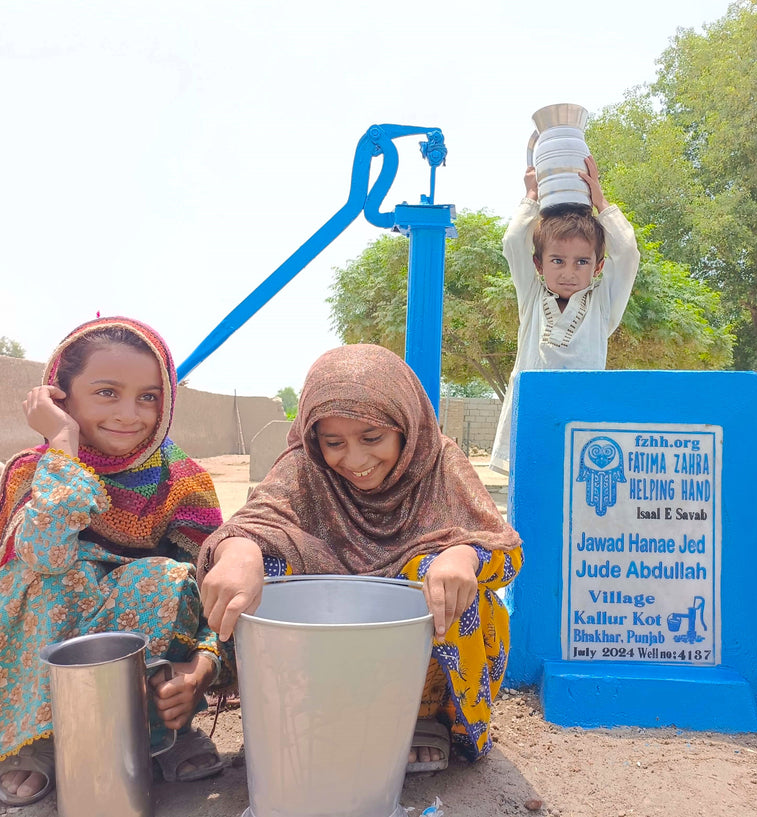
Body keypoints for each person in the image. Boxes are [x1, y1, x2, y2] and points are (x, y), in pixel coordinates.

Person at [198, 343, 523, 772]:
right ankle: (296, 716)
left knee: (437, 579)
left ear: (405, 426)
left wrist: (462, 555)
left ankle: (426, 720)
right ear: (314, 439)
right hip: (331, 650)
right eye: (334, 442)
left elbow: (503, 552)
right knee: (269, 567)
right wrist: (239, 553)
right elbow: (255, 523)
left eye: (373, 438)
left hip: (424, 665)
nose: (355, 460)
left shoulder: (440, 462)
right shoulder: (305, 468)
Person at [0, 317, 228, 806]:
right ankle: (41, 738)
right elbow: (45, 555)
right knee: (44, 572)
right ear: (58, 396)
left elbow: (213, 589)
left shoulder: (181, 480)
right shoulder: (34, 472)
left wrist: (200, 669)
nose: (130, 414)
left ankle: (167, 727)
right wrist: (63, 449)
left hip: (153, 659)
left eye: (148, 396)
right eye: (107, 392)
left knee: (171, 576)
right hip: (57, 657)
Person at [489, 155, 640, 474]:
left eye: (581, 262)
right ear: (539, 264)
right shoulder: (531, 297)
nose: (569, 272)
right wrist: (532, 196)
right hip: (531, 416)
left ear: (598, 266)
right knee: (530, 500)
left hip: (583, 419)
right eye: (557, 260)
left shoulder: (602, 305)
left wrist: (600, 201)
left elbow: (626, 252)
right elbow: (514, 241)